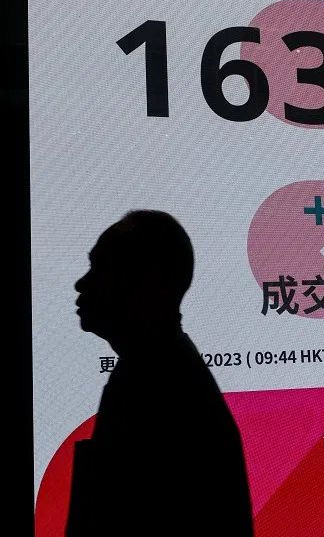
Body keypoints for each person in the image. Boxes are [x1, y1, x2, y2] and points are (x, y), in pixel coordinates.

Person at [67, 210, 254, 536]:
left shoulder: (156, 388)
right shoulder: (154, 370)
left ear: (148, 284)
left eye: (101, 268)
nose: (81, 283)